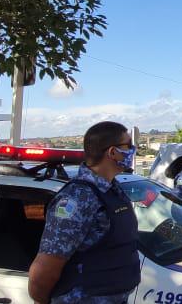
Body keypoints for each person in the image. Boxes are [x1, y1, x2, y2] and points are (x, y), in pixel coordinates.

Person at [28, 121, 142, 304]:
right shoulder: (77, 198)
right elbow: (46, 267)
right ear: (112, 152)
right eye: (128, 146)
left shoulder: (112, 189)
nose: (133, 150)